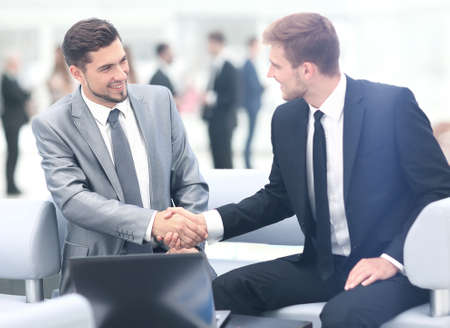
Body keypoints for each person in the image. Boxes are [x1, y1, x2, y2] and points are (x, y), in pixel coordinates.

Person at [161, 13, 450, 327]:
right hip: (322, 265)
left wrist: (391, 260)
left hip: (391, 268)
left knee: (341, 315)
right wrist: (205, 224)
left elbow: (436, 191)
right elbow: (276, 198)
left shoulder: (392, 105)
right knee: (223, 291)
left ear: (307, 70)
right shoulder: (287, 119)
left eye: (276, 65)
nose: (270, 74)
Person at [31, 18, 210, 295]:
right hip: (97, 267)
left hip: (172, 256)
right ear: (77, 74)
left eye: (122, 60)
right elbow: (73, 199)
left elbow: (190, 181)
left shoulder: (159, 101)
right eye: (106, 68)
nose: (122, 74)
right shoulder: (53, 124)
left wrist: (187, 239)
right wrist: (152, 224)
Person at [202, 31, 239, 169]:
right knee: (215, 156)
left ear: (219, 44)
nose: (208, 47)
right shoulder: (213, 65)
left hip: (225, 120)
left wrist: (213, 99)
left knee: (225, 157)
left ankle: (229, 188)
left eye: (211, 43)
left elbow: (235, 96)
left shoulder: (229, 67)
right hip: (212, 119)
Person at [1, 54, 30, 195]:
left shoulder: (14, 79)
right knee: (12, 153)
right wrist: (25, 93)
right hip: (10, 123)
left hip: (15, 122)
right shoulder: (6, 80)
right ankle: (10, 186)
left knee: (14, 153)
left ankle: (12, 185)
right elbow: (19, 96)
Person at [241, 37, 264, 169]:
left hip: (253, 104)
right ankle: (247, 162)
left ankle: (248, 161)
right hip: (251, 105)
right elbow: (251, 86)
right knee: (250, 134)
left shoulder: (251, 64)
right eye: (256, 46)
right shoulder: (248, 64)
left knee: (251, 134)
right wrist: (262, 88)